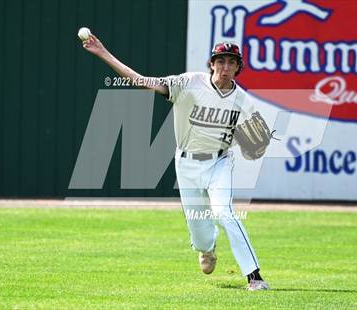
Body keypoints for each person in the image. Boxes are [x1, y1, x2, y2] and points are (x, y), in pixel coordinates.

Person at [82, 35, 269, 291]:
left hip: (219, 163)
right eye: (221, 61)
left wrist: (255, 143)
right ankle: (208, 246)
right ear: (211, 64)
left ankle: (254, 276)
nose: (225, 67)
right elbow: (141, 81)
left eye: (232, 62)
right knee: (202, 240)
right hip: (187, 165)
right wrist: (103, 52)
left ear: (238, 67)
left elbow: (258, 139)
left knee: (225, 214)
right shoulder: (189, 83)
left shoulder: (243, 101)